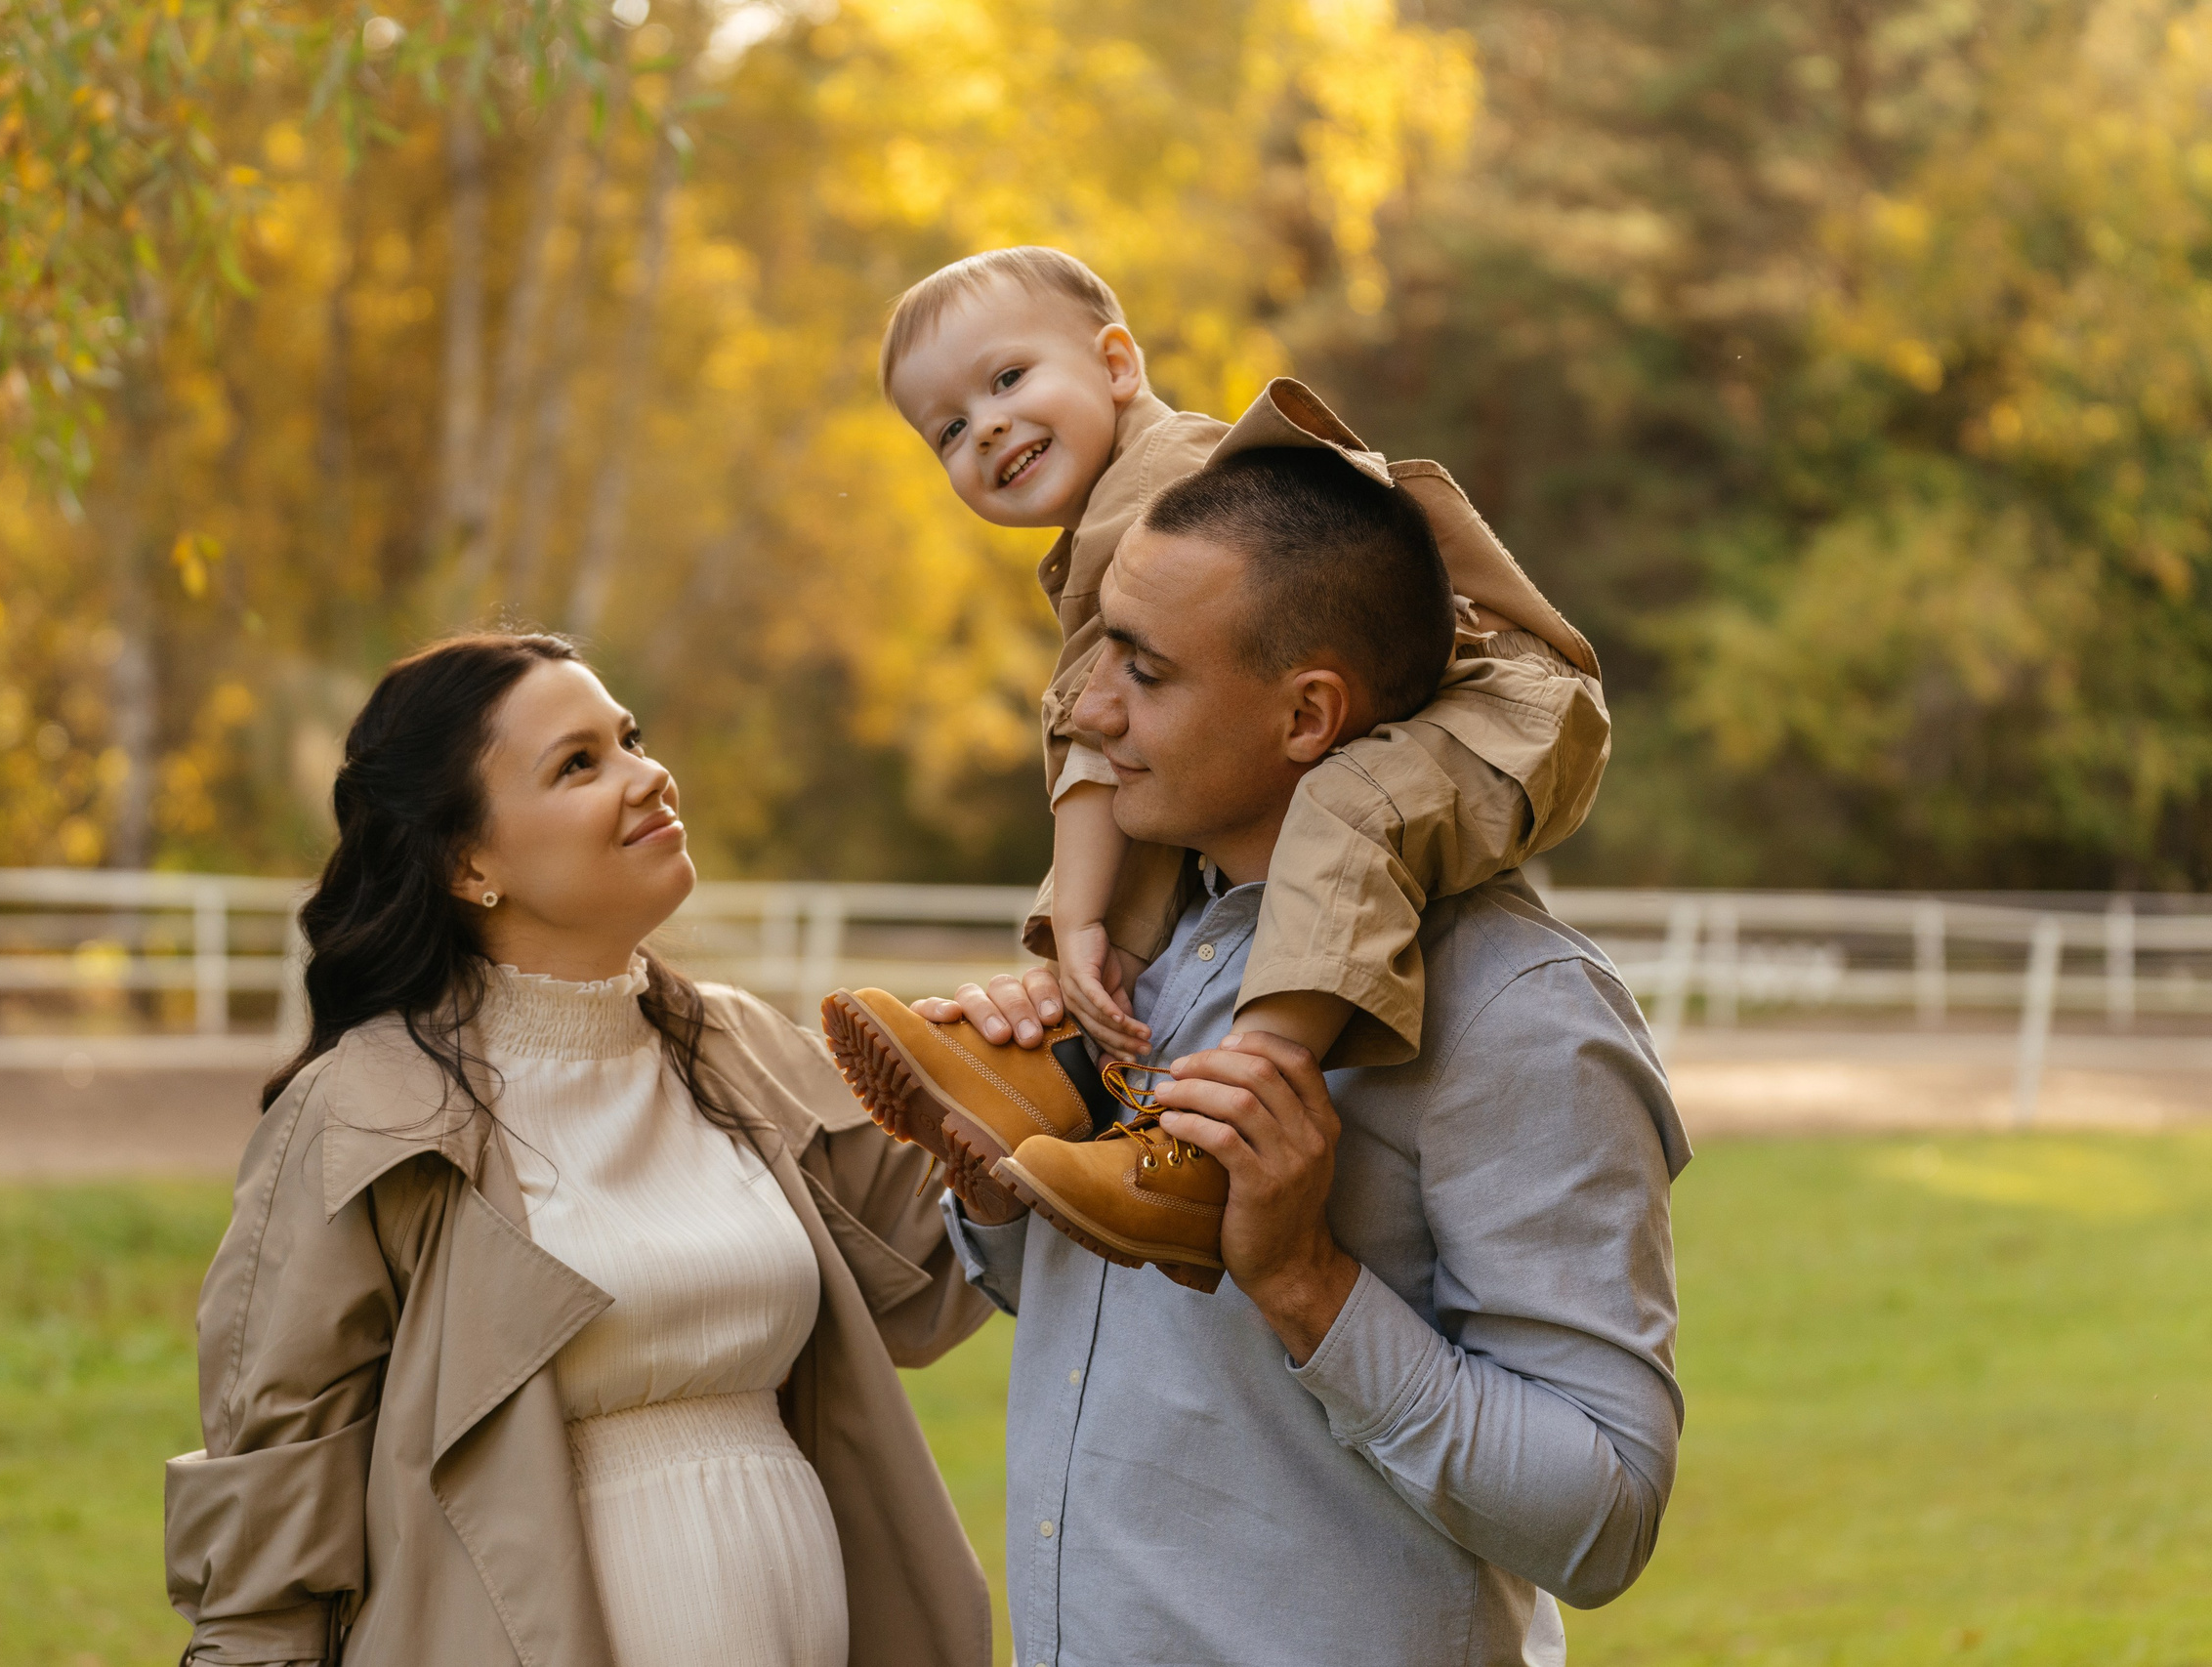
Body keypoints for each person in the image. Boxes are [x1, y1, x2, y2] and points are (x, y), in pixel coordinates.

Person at [911, 442, 1692, 1664]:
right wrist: (996, 1178)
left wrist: (1302, 1280)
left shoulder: (1516, 1010)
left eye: (1147, 672)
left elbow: (1602, 1517)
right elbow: (1136, 1344)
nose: (1091, 708)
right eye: (1100, 646)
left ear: (1308, 714)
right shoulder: (1144, 952)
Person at [162, 633, 994, 1667]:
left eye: (630, 740)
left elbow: (929, 1267)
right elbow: (273, 1496)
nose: (649, 777)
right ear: (470, 862)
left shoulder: (737, 1051)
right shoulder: (366, 1113)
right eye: (579, 764)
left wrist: (1033, 1075)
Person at [827, 247, 1610, 1284]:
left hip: (1506, 701)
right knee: (1161, 806)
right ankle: (1070, 1071)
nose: (989, 428)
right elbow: (1111, 734)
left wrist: (1073, 921)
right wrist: (1078, 934)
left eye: (1008, 379)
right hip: (1404, 693)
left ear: (1116, 364)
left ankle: (1215, 1134)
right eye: (950, 430)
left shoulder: (1168, 480)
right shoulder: (1110, 523)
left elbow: (1087, 730)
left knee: (1345, 806)